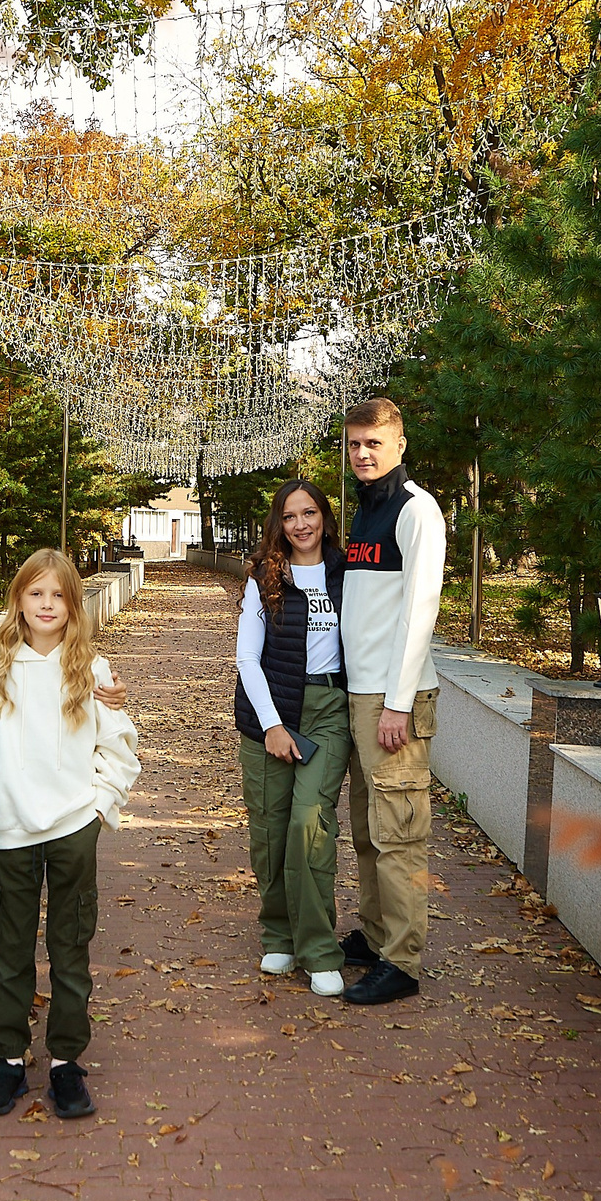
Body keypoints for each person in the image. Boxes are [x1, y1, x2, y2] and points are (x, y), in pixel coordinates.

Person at [0, 550, 140, 1121]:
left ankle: (67, 1062)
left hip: (73, 827)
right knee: (12, 948)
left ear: (74, 605)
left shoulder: (91, 668)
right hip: (12, 830)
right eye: (35, 593)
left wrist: (98, 808)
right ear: (18, 599)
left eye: (58, 595)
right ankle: (10, 1059)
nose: (47, 605)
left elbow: (117, 745)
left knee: (70, 948)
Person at [336, 397, 446, 1006]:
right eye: (354, 444)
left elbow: (420, 610)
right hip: (360, 691)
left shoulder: (416, 510)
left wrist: (398, 703)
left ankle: (401, 962)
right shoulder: (366, 510)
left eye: (374, 443)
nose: (362, 454)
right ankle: (377, 934)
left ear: (400, 444)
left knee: (399, 832)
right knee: (368, 828)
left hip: (391, 696)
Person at [233, 480, 351, 998]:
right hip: (271, 710)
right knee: (270, 830)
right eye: (289, 516)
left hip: (328, 710)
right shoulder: (264, 576)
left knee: (311, 825)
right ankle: (277, 933)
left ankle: (320, 948)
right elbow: (246, 658)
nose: (301, 524)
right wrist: (272, 725)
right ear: (277, 524)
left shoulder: (348, 573)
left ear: (324, 516)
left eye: (310, 513)